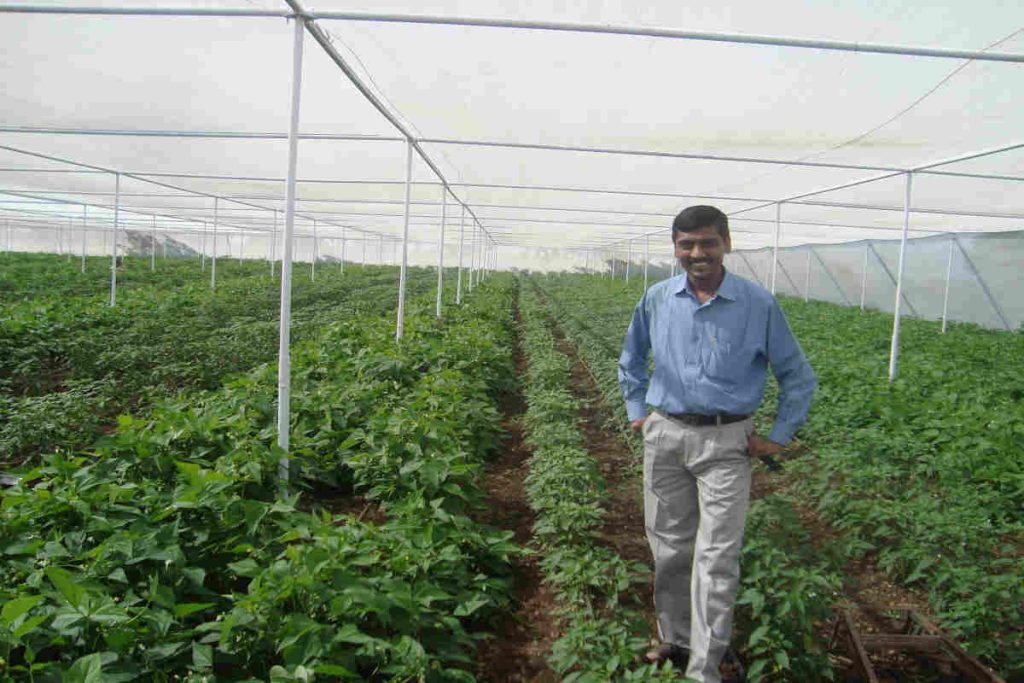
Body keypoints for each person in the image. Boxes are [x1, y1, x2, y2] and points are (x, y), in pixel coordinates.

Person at [618, 205, 817, 683]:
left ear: (726, 242)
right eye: (686, 244)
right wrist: (638, 413)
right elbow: (631, 360)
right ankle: (675, 638)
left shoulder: (757, 304)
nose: (697, 253)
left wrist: (777, 437)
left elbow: (798, 377)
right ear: (675, 247)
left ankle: (704, 669)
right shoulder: (657, 297)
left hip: (728, 443)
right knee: (668, 548)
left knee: (716, 557)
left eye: (707, 242)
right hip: (665, 435)